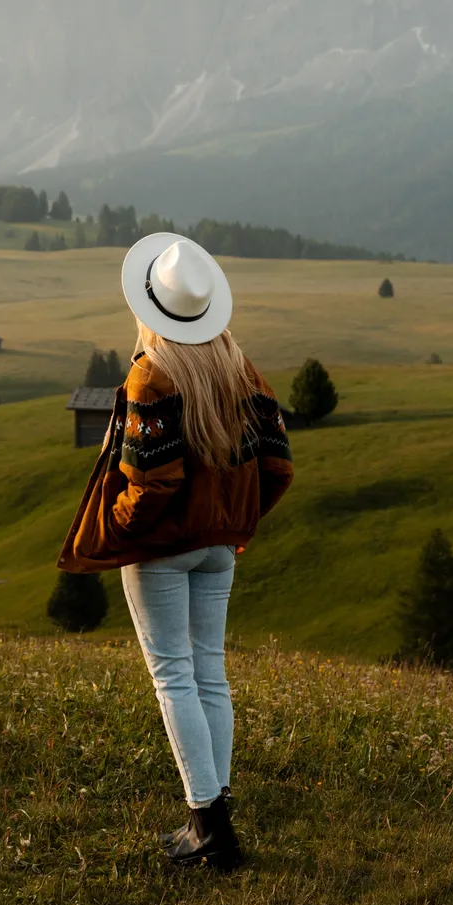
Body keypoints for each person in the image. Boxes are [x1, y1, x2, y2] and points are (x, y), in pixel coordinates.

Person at [57, 233, 294, 870]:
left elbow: (152, 481)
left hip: (162, 548)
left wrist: (119, 527)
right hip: (220, 546)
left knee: (174, 677)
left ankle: (207, 828)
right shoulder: (241, 369)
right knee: (209, 674)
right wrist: (236, 523)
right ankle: (216, 818)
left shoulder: (152, 375)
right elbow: (278, 469)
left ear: (149, 305)